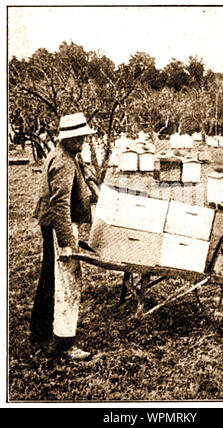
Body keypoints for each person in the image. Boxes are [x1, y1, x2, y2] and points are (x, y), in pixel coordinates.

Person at [30, 112, 98, 360]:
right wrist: (67, 242)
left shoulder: (66, 156)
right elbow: (60, 204)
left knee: (49, 276)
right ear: (68, 138)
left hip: (52, 224)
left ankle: (40, 331)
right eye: (78, 138)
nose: (82, 142)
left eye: (83, 137)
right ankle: (64, 342)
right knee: (68, 280)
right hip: (61, 224)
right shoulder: (64, 162)